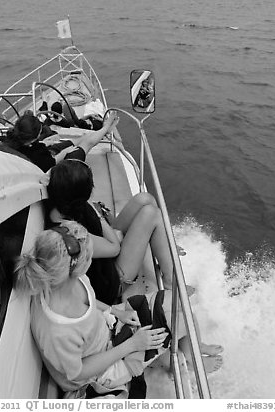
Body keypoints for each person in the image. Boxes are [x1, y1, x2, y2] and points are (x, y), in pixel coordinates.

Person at [14, 220, 223, 398]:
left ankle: (190, 349)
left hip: (107, 330)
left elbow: (89, 301)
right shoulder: (57, 330)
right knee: (178, 317)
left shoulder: (65, 280)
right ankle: (188, 360)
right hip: (100, 371)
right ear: (77, 265)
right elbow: (77, 374)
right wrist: (132, 345)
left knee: (179, 305)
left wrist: (117, 312)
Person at [47, 159, 193, 305]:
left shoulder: (63, 204)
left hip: (104, 253)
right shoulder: (72, 235)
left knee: (145, 199)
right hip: (112, 278)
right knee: (152, 214)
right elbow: (114, 248)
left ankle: (163, 246)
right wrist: (99, 216)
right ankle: (170, 282)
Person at [3, 111, 118, 173]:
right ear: (37, 134)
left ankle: (103, 131)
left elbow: (30, 148)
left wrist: (45, 143)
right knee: (85, 144)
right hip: (52, 166)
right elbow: (53, 162)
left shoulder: (10, 142)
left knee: (78, 139)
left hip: (44, 151)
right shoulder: (39, 156)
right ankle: (105, 128)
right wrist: (66, 151)